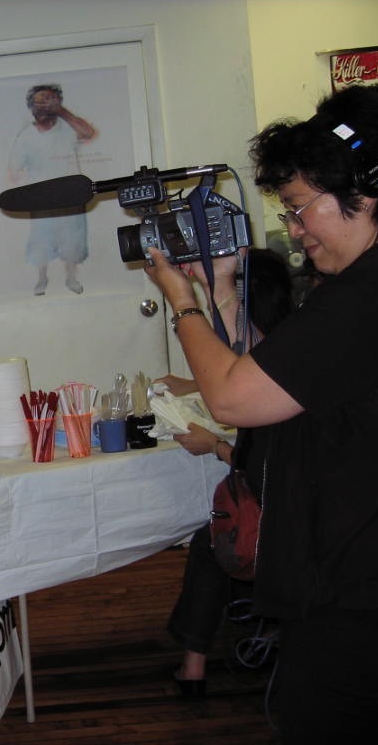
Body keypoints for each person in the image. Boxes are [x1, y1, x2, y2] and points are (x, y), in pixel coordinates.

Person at [144, 85, 378, 743]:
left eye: (301, 209)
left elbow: (230, 398)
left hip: (364, 582)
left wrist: (182, 302)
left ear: (364, 194)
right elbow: (268, 375)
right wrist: (221, 287)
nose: (295, 229)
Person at [157, 247, 295, 700]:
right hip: (296, 511)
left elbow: (261, 467)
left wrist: (213, 444)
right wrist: (196, 384)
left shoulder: (272, 369)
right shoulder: (293, 348)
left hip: (282, 527)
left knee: (211, 541)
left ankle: (193, 664)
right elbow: (251, 372)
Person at [7, 83, 97, 295]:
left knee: (73, 241)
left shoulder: (68, 127)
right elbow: (13, 170)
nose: (44, 105)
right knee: (41, 241)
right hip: (41, 198)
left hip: (71, 196)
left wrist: (61, 111)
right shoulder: (26, 135)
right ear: (31, 106)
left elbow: (88, 132)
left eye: (49, 100)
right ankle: (41, 278)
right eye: (39, 101)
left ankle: (72, 278)